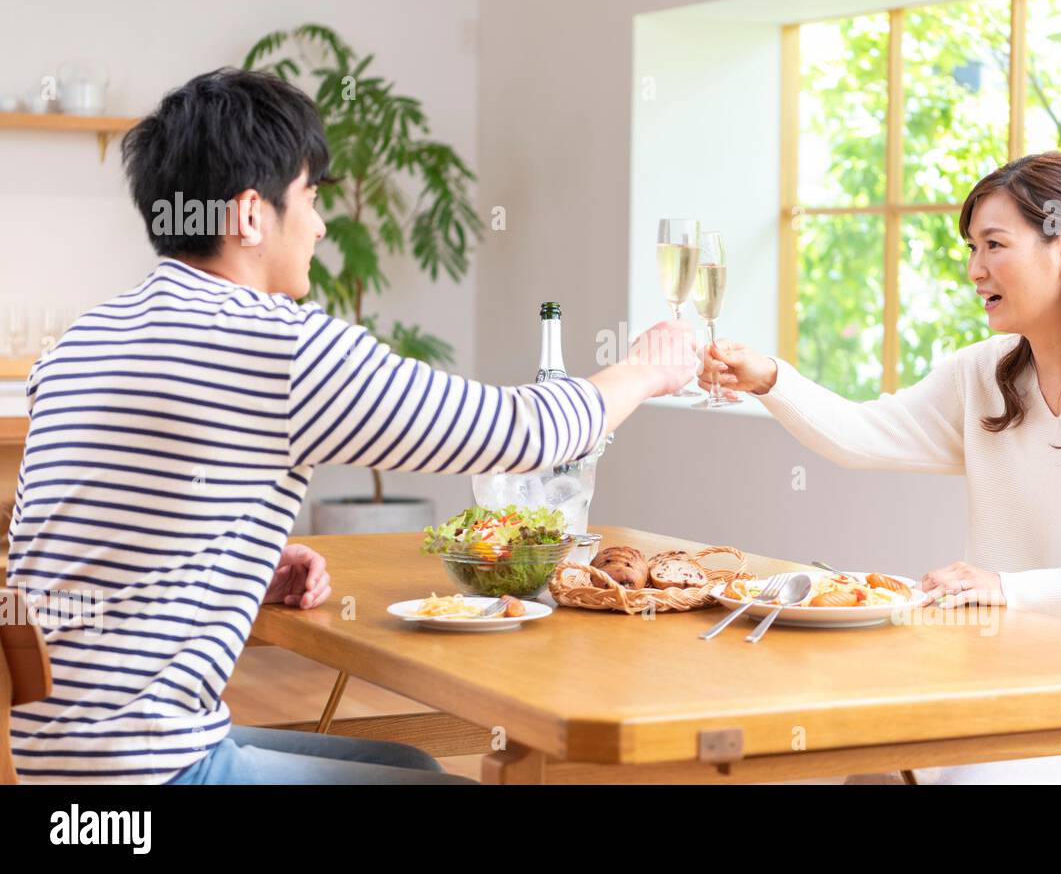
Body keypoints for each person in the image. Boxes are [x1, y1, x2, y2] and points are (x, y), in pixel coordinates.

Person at [5, 68, 697, 784]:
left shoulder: (86, 339)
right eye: (309, 197)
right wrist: (646, 368)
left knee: (406, 761)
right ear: (250, 213)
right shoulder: (276, 344)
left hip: (51, 760)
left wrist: (233, 558)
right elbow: (519, 433)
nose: (320, 223)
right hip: (142, 778)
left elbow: (61, 537)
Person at [699, 151, 1061, 784]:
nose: (974, 270)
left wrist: (1008, 590)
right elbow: (864, 435)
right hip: (1020, 680)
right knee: (861, 756)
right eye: (971, 247)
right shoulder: (988, 373)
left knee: (967, 778)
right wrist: (771, 380)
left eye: (994, 245)